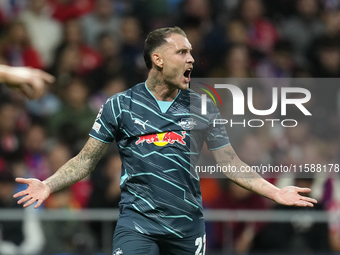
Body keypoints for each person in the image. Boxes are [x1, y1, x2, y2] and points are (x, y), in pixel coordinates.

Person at [13, 27, 317, 255]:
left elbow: (231, 163)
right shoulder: (120, 106)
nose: (192, 59)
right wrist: (48, 184)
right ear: (157, 59)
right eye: (182, 52)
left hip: (187, 227)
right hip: (137, 224)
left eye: (192, 52)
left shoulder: (203, 106)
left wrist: (275, 192)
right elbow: (85, 160)